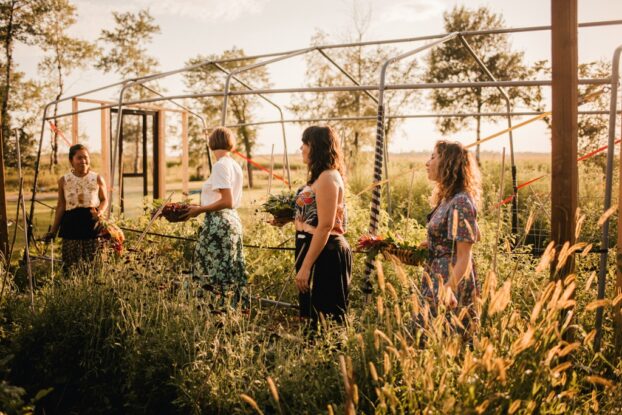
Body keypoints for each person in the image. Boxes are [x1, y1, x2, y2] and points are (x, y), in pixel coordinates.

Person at [279, 126, 352, 326]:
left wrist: (305, 267)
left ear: (317, 147)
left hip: (325, 251)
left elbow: (326, 225)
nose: (301, 148)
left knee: (325, 320)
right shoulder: (320, 176)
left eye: (305, 144)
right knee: (311, 317)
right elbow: (315, 214)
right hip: (311, 246)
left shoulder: (328, 177)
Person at [182, 127, 246, 301]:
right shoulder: (234, 165)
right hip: (232, 220)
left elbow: (227, 201)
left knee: (210, 270)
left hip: (219, 223)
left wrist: (199, 210)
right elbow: (223, 199)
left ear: (211, 144)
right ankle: (230, 306)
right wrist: (201, 205)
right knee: (228, 268)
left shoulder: (220, 165)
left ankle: (213, 308)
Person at [423, 140, 481, 321]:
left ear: (447, 164)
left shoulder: (461, 201)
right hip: (436, 276)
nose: (427, 163)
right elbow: (470, 235)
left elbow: (465, 255)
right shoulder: (447, 198)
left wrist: (449, 288)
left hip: (451, 280)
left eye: (433, 157)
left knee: (448, 338)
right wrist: (432, 245)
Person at [46, 144, 108, 272]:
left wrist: (100, 212)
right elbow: (61, 206)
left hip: (91, 224)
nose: (83, 161)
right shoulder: (64, 181)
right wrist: (53, 231)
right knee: (71, 267)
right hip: (71, 225)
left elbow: (104, 200)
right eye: (79, 158)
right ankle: (72, 290)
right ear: (71, 161)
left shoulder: (97, 178)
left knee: (93, 265)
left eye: (86, 157)